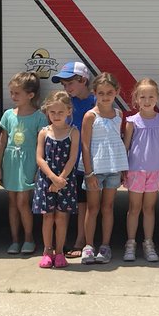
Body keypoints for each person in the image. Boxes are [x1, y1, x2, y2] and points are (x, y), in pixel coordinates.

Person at [0, 72, 46, 256]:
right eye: (11, 93)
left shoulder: (39, 117)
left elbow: (42, 145)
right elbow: (2, 141)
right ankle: (15, 240)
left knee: (23, 201)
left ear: (30, 95)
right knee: (12, 202)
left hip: (28, 162)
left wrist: (39, 168)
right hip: (11, 162)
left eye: (17, 93)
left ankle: (28, 238)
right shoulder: (8, 114)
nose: (13, 96)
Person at [80, 73, 127, 265]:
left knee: (108, 208)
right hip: (95, 170)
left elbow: (118, 140)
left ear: (116, 92)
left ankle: (105, 246)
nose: (105, 97)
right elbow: (85, 145)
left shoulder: (118, 115)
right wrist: (89, 172)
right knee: (93, 208)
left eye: (109, 92)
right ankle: (88, 246)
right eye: (101, 93)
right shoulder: (90, 116)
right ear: (94, 94)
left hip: (113, 168)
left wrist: (123, 167)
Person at [52, 61, 96, 257]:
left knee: (83, 203)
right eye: (63, 85)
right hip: (67, 160)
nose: (67, 88)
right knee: (67, 201)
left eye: (70, 83)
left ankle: (80, 241)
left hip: (87, 161)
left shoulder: (95, 101)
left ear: (83, 80)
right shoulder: (66, 103)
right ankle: (59, 241)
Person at [32, 91, 81, 268]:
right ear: (47, 113)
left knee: (61, 218)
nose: (56, 116)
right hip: (46, 181)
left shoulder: (73, 132)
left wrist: (61, 180)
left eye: (60, 112)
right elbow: (39, 158)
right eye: (52, 112)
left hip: (65, 181)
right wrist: (53, 178)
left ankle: (60, 252)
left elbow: (72, 158)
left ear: (69, 111)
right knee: (47, 218)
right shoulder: (44, 132)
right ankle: (47, 251)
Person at [123, 77, 159, 262]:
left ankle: (148, 243)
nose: (147, 101)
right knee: (134, 208)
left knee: (149, 209)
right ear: (136, 99)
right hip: (135, 170)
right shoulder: (132, 121)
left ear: (157, 98)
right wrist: (122, 169)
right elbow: (126, 146)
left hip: (155, 171)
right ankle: (131, 243)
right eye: (142, 97)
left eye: (151, 96)